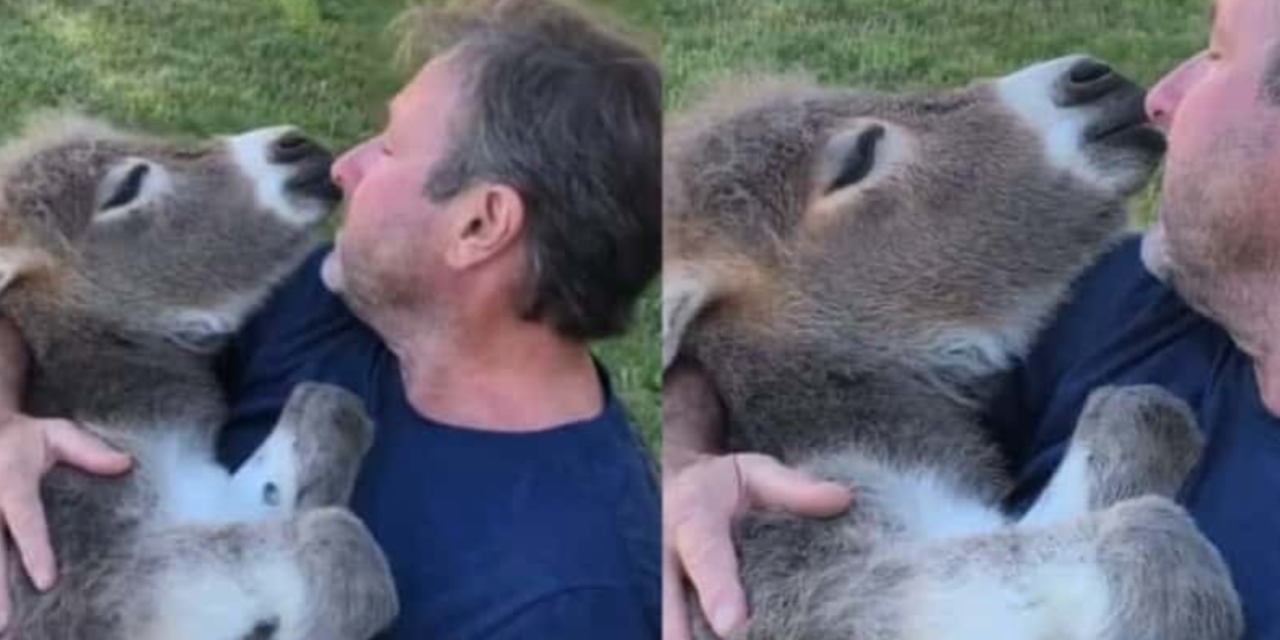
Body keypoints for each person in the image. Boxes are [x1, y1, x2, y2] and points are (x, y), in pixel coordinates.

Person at [0, 0, 661, 637]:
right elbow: (57, 283)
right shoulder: (333, 303)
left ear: (480, 224)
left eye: (391, 149)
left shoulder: (570, 600)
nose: (345, 166)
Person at [662, 0, 1280, 638]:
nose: (1161, 94)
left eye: (1217, 56)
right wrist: (687, 465)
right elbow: (764, 334)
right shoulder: (1137, 303)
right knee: (1138, 427)